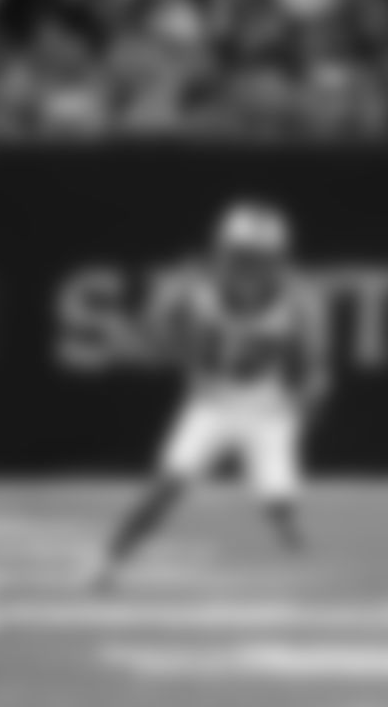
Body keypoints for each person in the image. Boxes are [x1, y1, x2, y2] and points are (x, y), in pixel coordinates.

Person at [93, 199, 327, 592]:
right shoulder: (192, 288)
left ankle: (298, 543)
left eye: (257, 259)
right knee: (167, 487)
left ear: (276, 261)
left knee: (278, 505)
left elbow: (313, 367)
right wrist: (146, 336)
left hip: (267, 406)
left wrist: (306, 397)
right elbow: (158, 339)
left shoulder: (298, 299)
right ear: (223, 252)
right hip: (212, 402)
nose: (247, 269)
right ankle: (111, 561)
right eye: (241, 257)